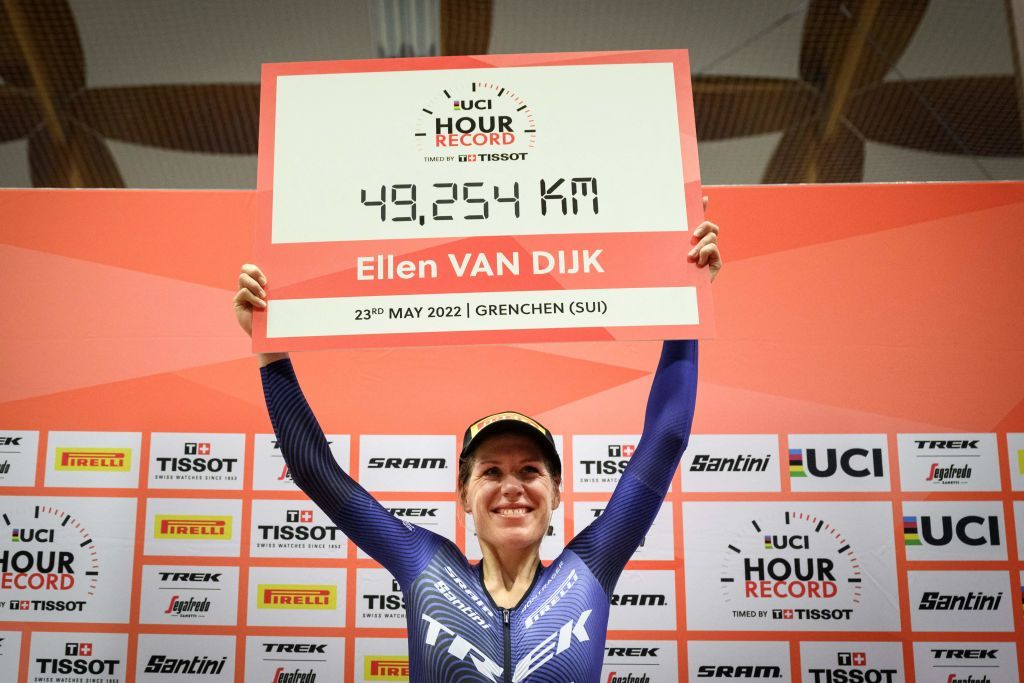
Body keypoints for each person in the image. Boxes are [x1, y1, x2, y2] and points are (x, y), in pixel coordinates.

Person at [233, 203, 721, 683]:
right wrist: (269, 346)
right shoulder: (424, 563)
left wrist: (685, 303)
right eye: (491, 472)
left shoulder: (590, 565)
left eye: (530, 471)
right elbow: (315, 470)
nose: (512, 486)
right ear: (463, 494)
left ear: (557, 492)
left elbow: (667, 438)